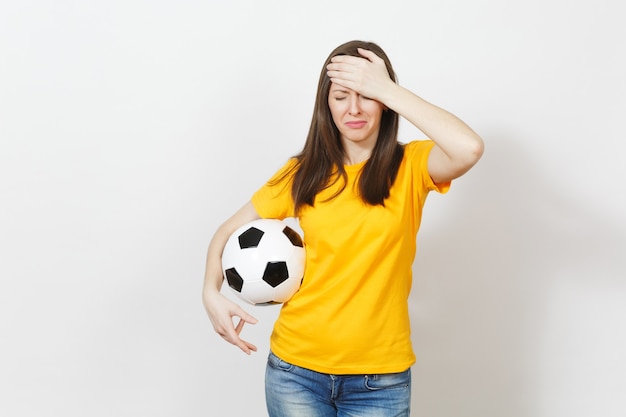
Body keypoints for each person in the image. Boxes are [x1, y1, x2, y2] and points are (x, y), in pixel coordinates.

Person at [203, 40, 484, 417]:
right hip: (295, 372)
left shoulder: (412, 166)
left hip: (379, 381)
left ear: (385, 101)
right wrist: (210, 291)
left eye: (366, 95)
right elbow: (226, 231)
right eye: (340, 96)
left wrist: (386, 87)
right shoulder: (302, 174)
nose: (354, 108)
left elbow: (469, 148)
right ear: (326, 104)